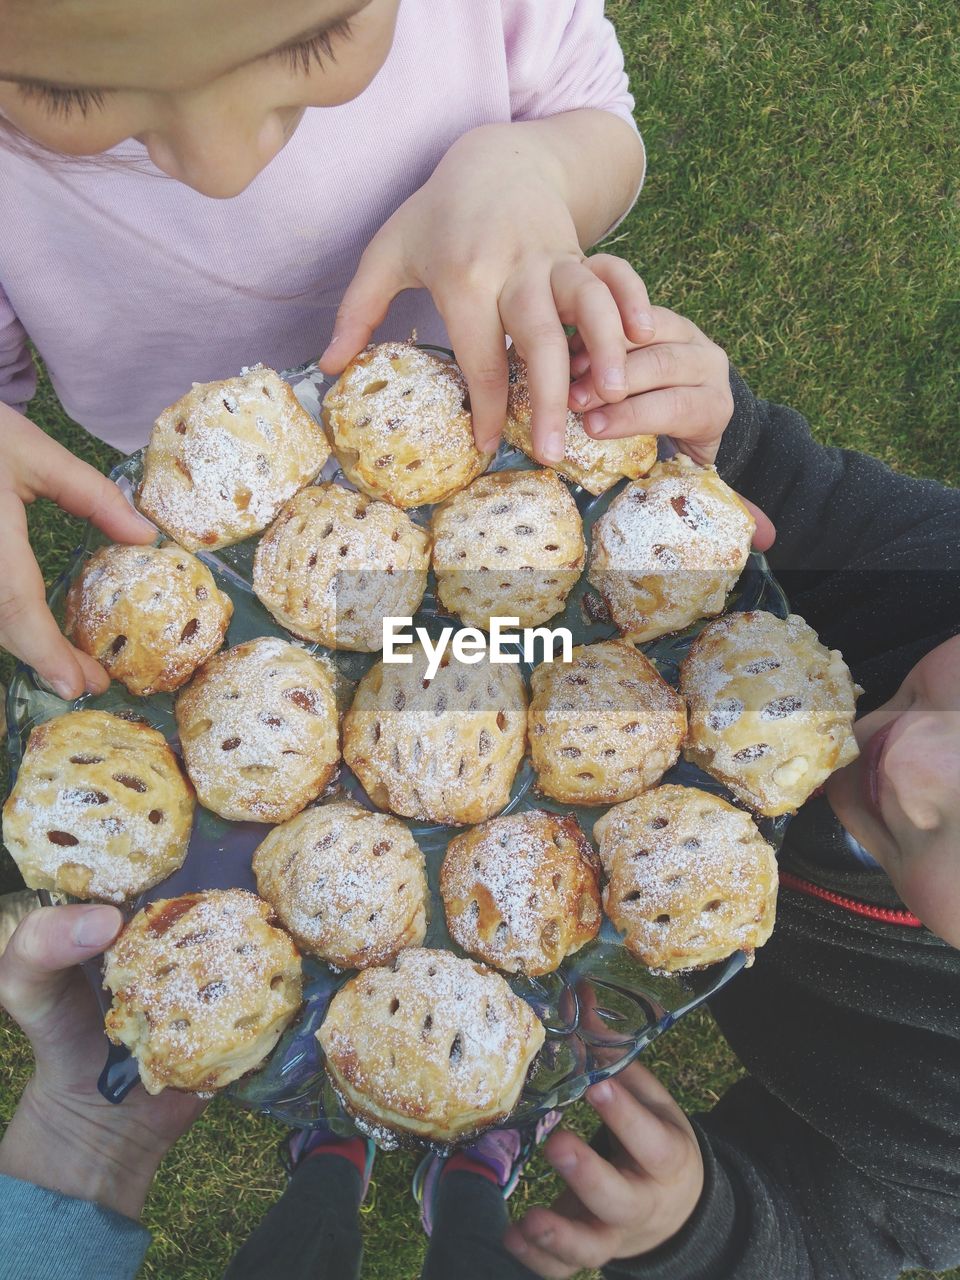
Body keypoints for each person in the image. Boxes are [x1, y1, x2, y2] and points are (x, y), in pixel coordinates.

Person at [1, 301, 958, 1280]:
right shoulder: (933, 571)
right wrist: (733, 448)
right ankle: (403, 1159)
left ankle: (361, 1157)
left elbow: (861, 1226)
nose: (923, 765)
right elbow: (811, 500)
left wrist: (707, 1225)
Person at [0, 0, 656, 704]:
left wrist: (534, 171)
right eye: (68, 94)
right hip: (194, 473)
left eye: (315, 41)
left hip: (464, 402)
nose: (221, 167)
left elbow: (594, 111)